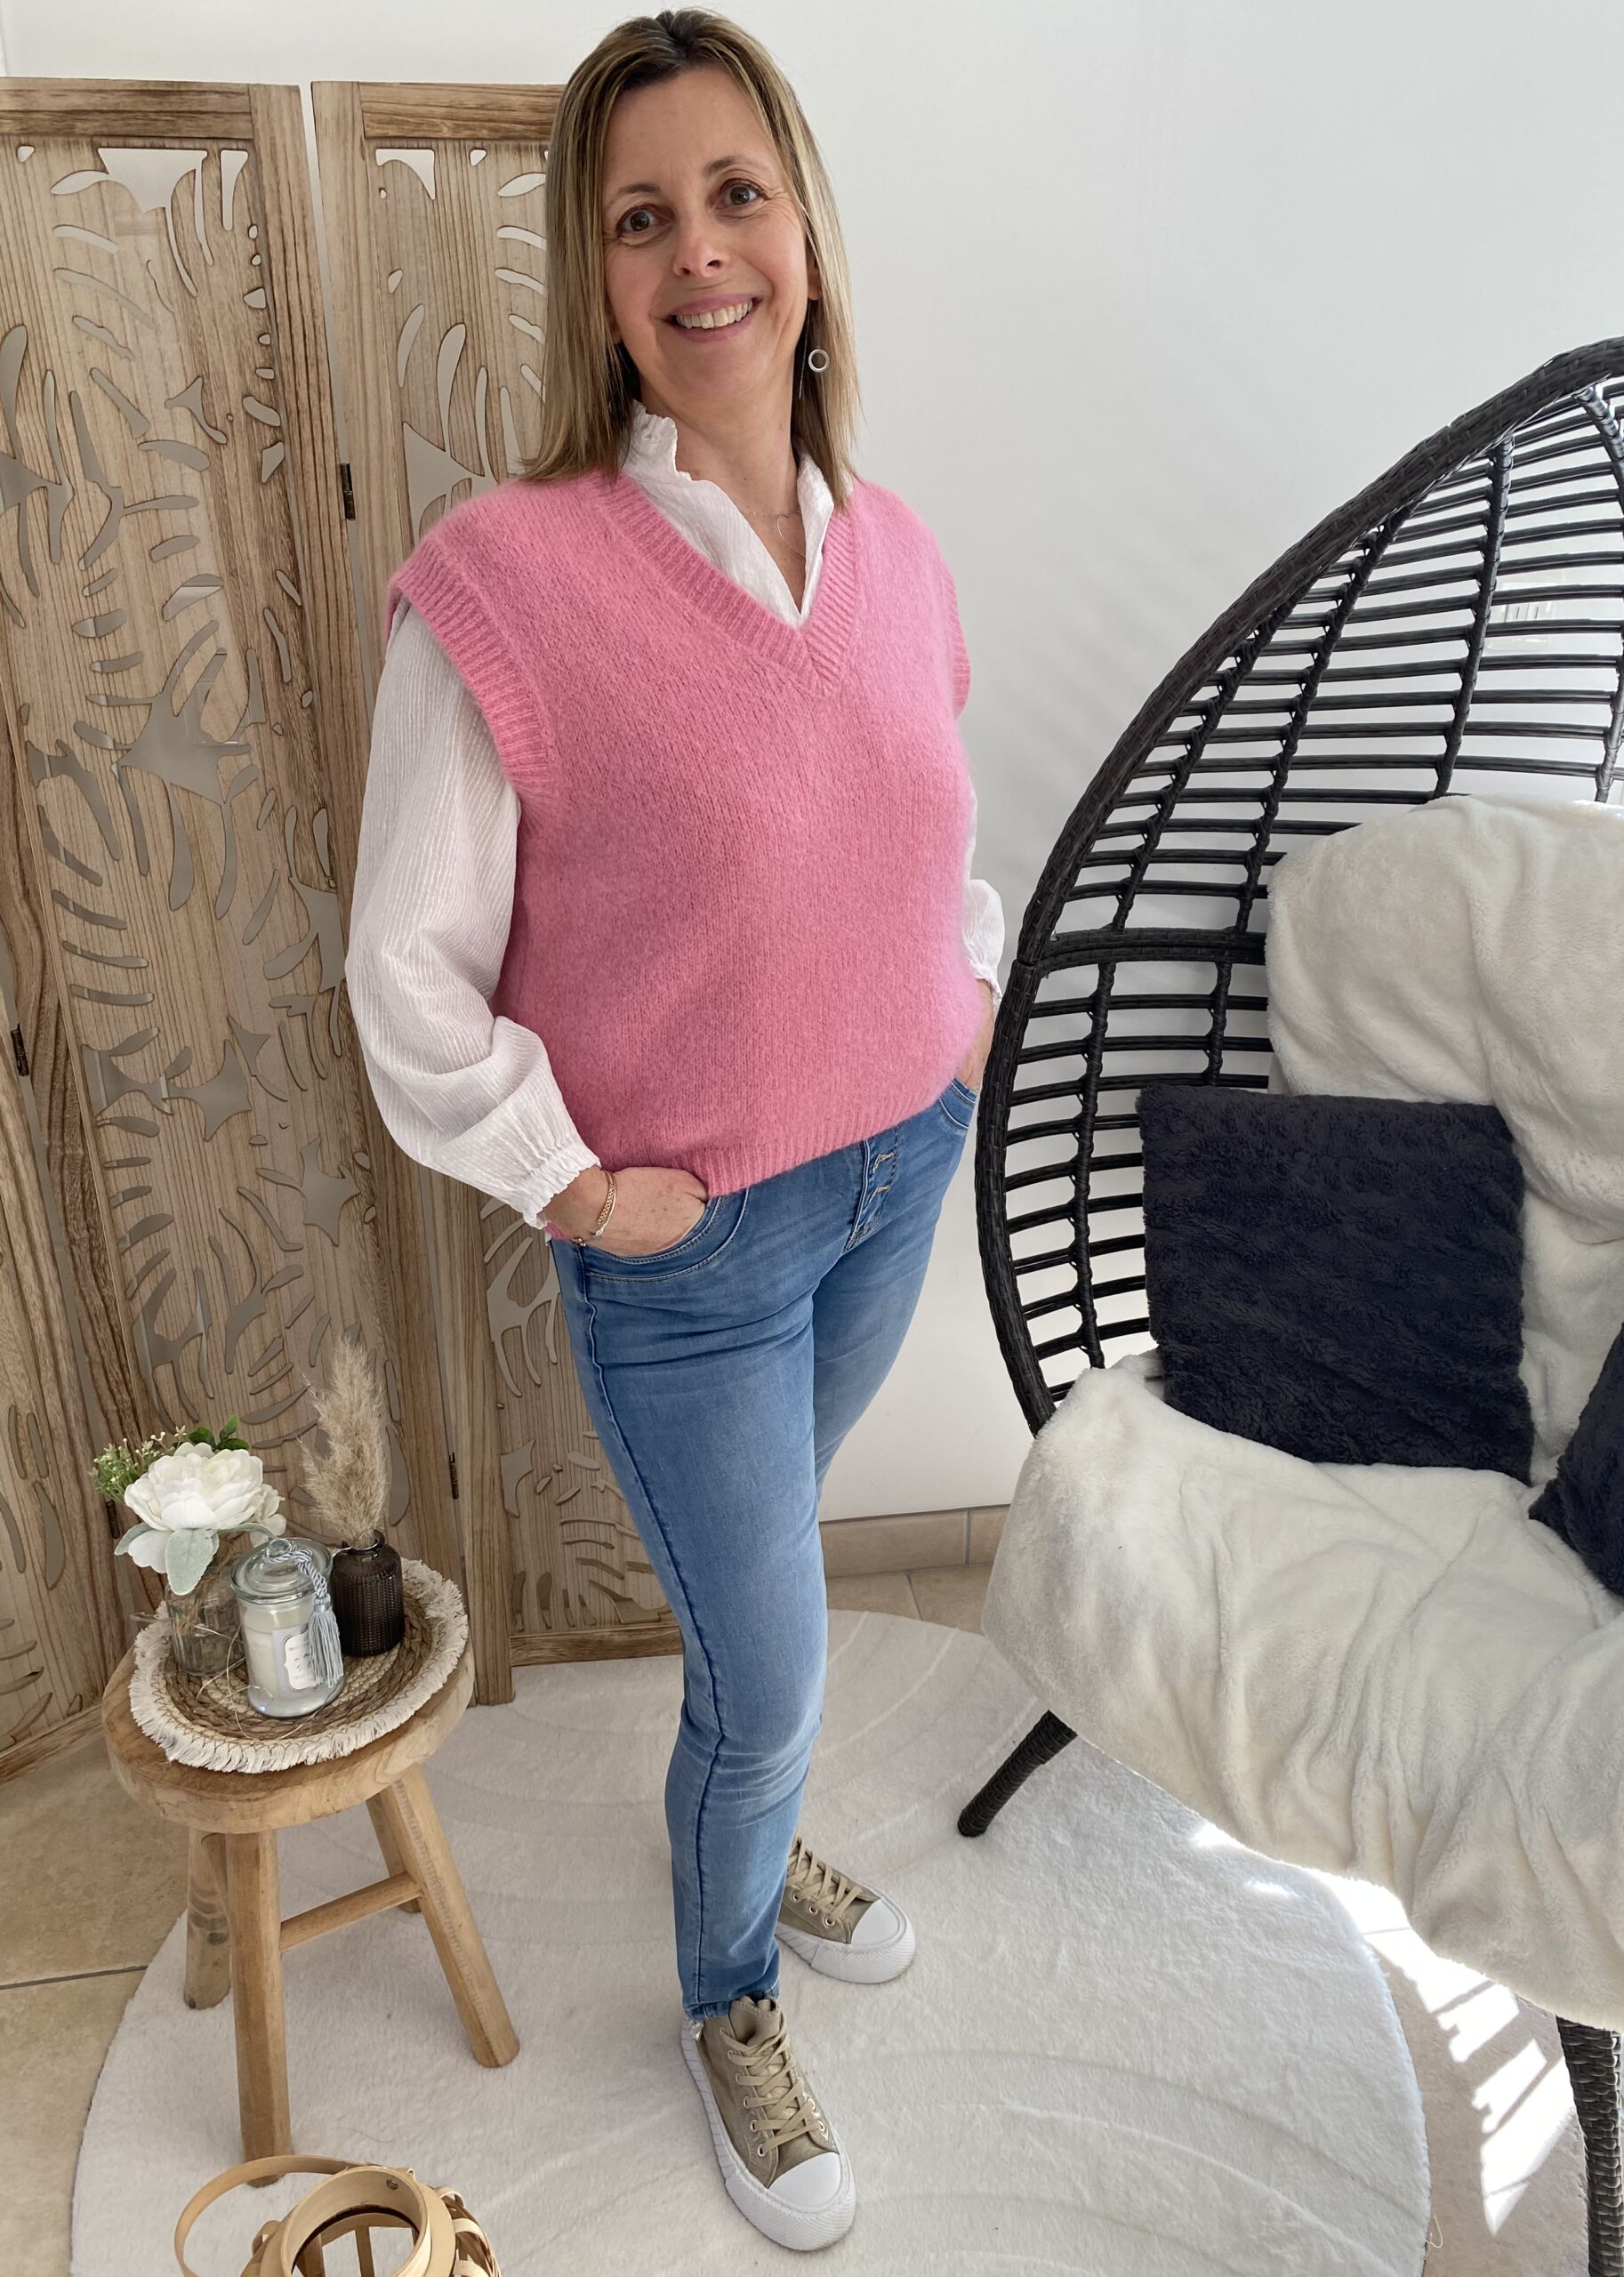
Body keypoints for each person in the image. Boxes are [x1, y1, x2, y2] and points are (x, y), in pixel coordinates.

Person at [347, 8, 1002, 2252]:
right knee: (780, 1647)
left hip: (895, 1175)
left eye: (737, 194)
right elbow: (403, 961)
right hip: (690, 1243)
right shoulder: (512, 578)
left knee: (754, 1617)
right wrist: (563, 1177)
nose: (700, 252)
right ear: (595, 275)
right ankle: (729, 1987)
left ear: (804, 228)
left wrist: (962, 1011)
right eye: (643, 219)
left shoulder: (897, 551)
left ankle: (746, 1811)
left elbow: (929, 838)